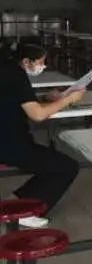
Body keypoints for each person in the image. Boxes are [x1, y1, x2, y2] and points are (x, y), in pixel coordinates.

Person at [0, 44, 84, 227]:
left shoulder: (8, 71)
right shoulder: (16, 76)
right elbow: (37, 115)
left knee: (53, 164)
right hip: (8, 144)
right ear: (26, 62)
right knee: (66, 167)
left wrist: (46, 98)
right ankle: (25, 213)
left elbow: (17, 99)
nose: (43, 66)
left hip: (8, 139)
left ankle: (16, 201)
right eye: (40, 62)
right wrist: (69, 99)